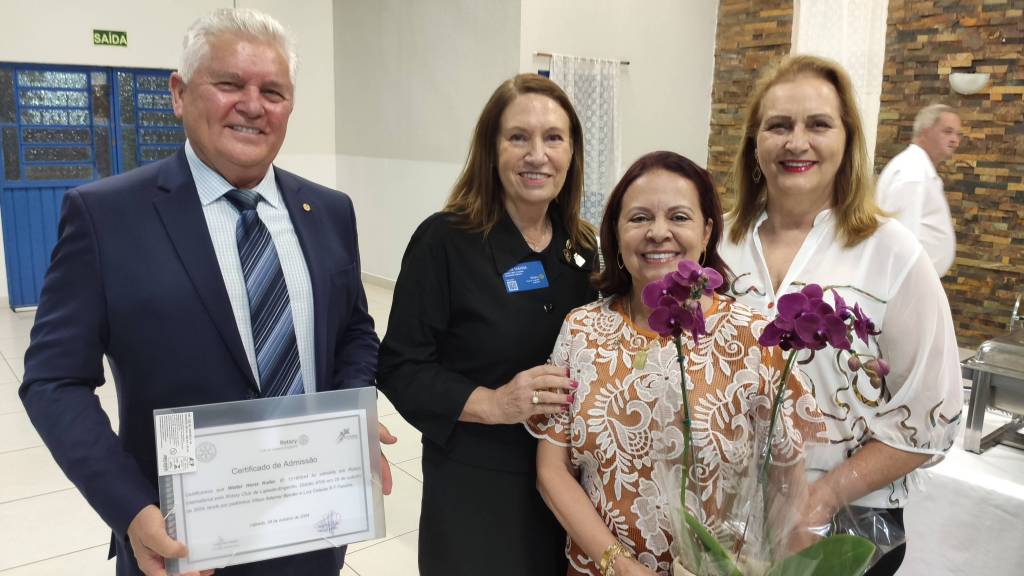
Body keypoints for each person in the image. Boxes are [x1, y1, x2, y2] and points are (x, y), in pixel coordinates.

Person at [19, 9, 391, 576]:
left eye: (273, 92)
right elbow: (53, 381)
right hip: (179, 543)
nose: (253, 105)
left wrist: (351, 411)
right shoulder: (106, 217)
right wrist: (130, 509)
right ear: (179, 93)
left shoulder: (329, 211)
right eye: (229, 84)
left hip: (313, 527)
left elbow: (355, 332)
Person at [719, 55, 964, 576]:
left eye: (818, 125)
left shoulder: (892, 252)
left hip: (849, 522)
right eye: (778, 126)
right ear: (754, 143)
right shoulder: (717, 244)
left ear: (848, 140)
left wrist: (823, 498)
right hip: (726, 521)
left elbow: (933, 412)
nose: (796, 142)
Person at [529, 151, 823, 576]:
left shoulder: (756, 338)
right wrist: (620, 566)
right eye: (639, 218)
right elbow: (552, 470)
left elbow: (789, 493)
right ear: (616, 234)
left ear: (706, 233)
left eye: (679, 217)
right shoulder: (581, 331)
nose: (658, 232)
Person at [377, 73, 596, 576]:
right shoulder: (444, 242)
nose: (537, 155)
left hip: (567, 488)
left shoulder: (581, 247)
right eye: (518, 137)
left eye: (553, 138)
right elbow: (400, 367)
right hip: (477, 486)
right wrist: (495, 404)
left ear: (572, 152)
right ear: (491, 150)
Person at [875, 104, 962, 277]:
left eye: (958, 134)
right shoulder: (912, 173)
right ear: (925, 132)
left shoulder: (919, 169)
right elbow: (900, 241)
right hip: (907, 280)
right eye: (947, 132)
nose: (955, 140)